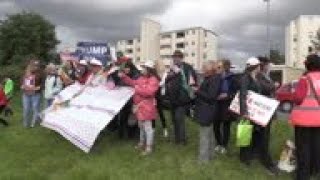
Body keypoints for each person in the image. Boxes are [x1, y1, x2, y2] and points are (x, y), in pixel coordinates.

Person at [239, 57, 278, 175]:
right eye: (259, 65)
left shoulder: (255, 77)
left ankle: (254, 158)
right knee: (246, 135)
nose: (260, 67)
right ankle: (245, 159)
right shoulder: (245, 78)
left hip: (256, 112)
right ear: (256, 67)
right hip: (248, 112)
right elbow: (243, 95)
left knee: (256, 136)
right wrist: (244, 112)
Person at [119, 61, 160, 155]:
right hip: (139, 106)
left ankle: (149, 147)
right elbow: (133, 82)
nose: (142, 69)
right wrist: (124, 77)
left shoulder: (154, 80)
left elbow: (149, 92)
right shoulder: (141, 78)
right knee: (141, 126)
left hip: (147, 106)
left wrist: (137, 88)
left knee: (148, 127)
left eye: (144, 68)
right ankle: (142, 143)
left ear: (149, 69)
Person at [290, 54, 320, 180]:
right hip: (318, 120)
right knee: (316, 146)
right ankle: (315, 170)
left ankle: (303, 175)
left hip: (303, 120)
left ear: (308, 64)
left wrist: (293, 92)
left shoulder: (305, 79)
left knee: (303, 148)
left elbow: (298, 98)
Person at [165, 50, 198, 145]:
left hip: (183, 98)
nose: (175, 58)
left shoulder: (188, 67)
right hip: (172, 98)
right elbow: (167, 80)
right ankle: (177, 139)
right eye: (174, 57)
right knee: (174, 120)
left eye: (177, 57)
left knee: (179, 119)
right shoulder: (172, 69)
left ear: (181, 58)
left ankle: (182, 140)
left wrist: (191, 93)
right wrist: (170, 75)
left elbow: (193, 81)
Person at [194, 60, 222, 163]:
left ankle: (203, 160)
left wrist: (197, 91)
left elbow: (211, 96)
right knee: (209, 134)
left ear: (210, 69)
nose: (202, 69)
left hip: (207, 110)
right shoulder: (211, 78)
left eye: (204, 67)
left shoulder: (214, 79)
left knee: (204, 135)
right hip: (207, 109)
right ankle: (210, 155)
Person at [214, 59, 234, 154]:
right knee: (216, 125)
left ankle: (224, 146)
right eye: (217, 67)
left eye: (219, 67)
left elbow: (236, 92)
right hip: (216, 104)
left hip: (227, 105)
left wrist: (228, 95)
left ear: (225, 67)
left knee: (226, 126)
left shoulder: (232, 77)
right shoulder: (216, 77)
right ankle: (218, 143)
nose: (217, 68)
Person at [21, 62, 43, 128]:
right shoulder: (25, 74)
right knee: (26, 108)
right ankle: (26, 123)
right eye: (33, 66)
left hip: (36, 94)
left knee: (35, 108)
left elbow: (43, 84)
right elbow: (22, 82)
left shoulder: (40, 74)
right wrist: (22, 86)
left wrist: (39, 87)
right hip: (26, 94)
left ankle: (33, 123)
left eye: (36, 66)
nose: (34, 67)